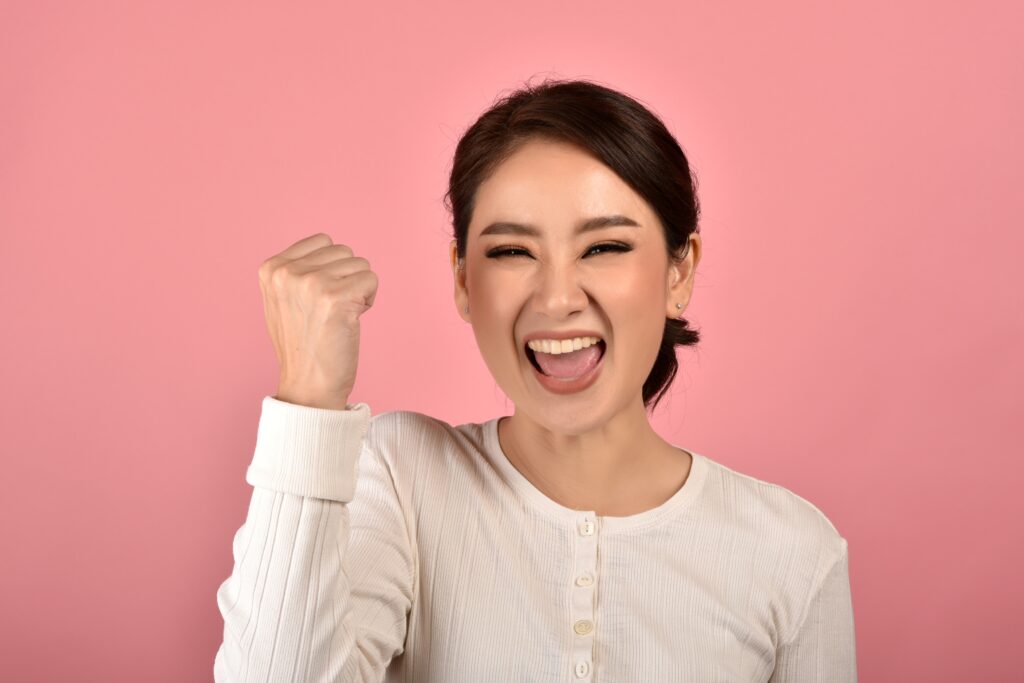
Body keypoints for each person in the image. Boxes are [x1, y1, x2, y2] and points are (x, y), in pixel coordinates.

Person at [214, 78, 857, 682]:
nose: (556, 299)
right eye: (512, 252)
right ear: (464, 280)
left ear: (678, 272)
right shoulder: (403, 478)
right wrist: (308, 400)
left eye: (604, 248)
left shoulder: (792, 549)